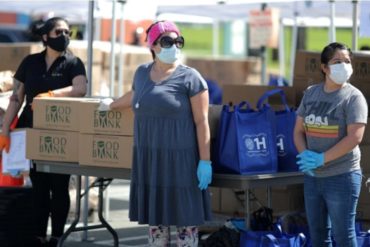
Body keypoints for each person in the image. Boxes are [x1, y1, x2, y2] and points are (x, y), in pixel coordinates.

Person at [102, 20, 213, 247]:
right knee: (156, 225)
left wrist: (205, 161)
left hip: (181, 161)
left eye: (177, 41)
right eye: (167, 41)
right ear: (153, 45)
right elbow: (136, 96)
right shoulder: (142, 73)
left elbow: (202, 122)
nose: (174, 46)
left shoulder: (191, 78)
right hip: (151, 159)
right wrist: (111, 105)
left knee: (185, 224)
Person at [0, 17, 87, 247]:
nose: (65, 35)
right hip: (31, 131)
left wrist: (52, 94)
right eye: (59, 31)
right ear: (45, 36)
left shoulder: (74, 63)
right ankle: (39, 234)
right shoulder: (30, 62)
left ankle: (56, 236)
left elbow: (80, 89)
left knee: (59, 186)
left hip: (62, 133)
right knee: (39, 187)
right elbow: (16, 97)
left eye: (69, 31)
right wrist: (5, 130)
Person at [294, 42, 368, 247]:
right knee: (318, 236)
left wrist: (321, 159)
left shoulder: (354, 98)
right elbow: (298, 131)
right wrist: (305, 157)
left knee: (343, 235)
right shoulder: (311, 93)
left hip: (342, 176)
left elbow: (355, 137)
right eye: (337, 61)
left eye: (347, 61)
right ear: (324, 67)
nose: (344, 65)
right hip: (313, 176)